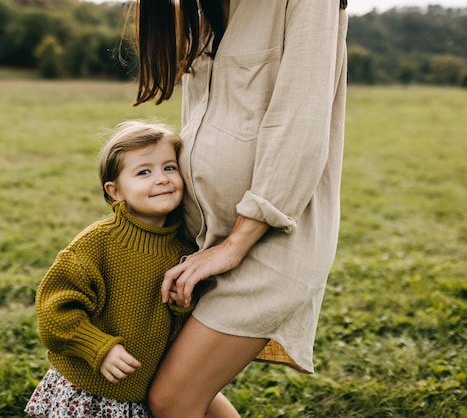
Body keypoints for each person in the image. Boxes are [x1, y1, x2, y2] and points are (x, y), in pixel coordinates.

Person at [129, 1, 349, 417]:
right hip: (200, 240)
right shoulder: (204, 9)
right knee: (177, 386)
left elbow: (299, 129)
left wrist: (233, 245)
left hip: (269, 241)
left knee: (171, 398)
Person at [24, 120, 197, 418]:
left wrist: (181, 306)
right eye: (144, 172)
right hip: (88, 390)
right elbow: (53, 313)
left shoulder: (183, 248)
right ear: (115, 191)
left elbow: (168, 327)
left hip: (138, 394)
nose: (162, 179)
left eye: (170, 167)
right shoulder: (97, 244)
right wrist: (98, 348)